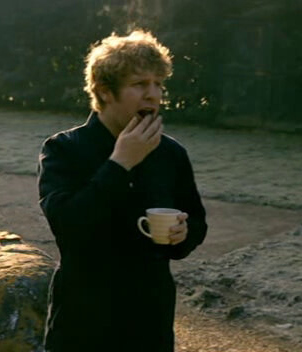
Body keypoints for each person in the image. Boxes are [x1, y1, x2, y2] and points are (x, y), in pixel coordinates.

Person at [37, 29, 207, 352]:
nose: (153, 95)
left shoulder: (171, 154)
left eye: (159, 84)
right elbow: (69, 226)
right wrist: (120, 163)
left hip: (150, 320)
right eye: (140, 84)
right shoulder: (63, 149)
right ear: (104, 92)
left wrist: (183, 234)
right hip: (83, 321)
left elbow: (197, 223)